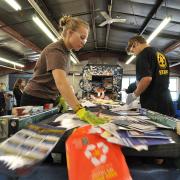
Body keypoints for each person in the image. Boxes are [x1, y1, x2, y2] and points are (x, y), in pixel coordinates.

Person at [21, 15, 108, 125]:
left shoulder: (66, 53)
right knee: (33, 137)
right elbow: (61, 83)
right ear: (70, 33)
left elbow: (59, 80)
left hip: (47, 99)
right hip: (34, 99)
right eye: (82, 37)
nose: (84, 42)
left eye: (86, 39)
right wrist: (80, 110)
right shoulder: (56, 50)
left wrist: (61, 96)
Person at [126, 35, 174, 116]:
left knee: (152, 128)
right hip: (166, 101)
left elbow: (146, 78)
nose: (134, 54)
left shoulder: (143, 54)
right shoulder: (160, 53)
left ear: (136, 43)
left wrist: (134, 94)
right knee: (166, 128)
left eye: (133, 51)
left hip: (153, 103)